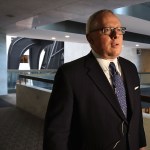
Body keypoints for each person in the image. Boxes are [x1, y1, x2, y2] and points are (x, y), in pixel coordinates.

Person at [43, 9, 146, 150]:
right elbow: (57, 132)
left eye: (119, 29)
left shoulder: (131, 68)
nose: (116, 35)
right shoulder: (70, 74)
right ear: (90, 38)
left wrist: (140, 144)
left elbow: (136, 116)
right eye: (107, 30)